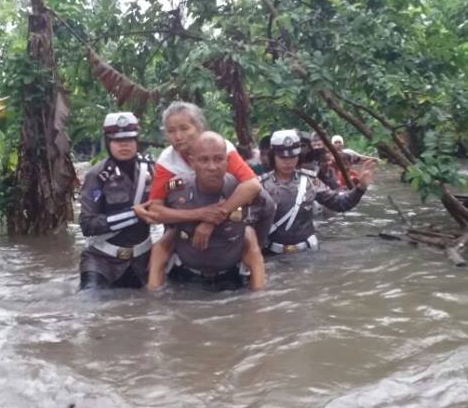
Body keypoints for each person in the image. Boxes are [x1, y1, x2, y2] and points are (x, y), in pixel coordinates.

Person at [134, 102, 267, 284]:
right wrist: (200, 214)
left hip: (225, 207)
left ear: (199, 127)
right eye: (171, 131)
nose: (178, 137)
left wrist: (211, 219)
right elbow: (156, 210)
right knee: (163, 243)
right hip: (185, 216)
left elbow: (252, 185)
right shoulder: (167, 161)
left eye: (184, 129)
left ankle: (257, 255)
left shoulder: (222, 148)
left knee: (267, 203)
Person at [261, 130, 377, 254]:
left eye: (292, 156)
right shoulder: (262, 185)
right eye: (282, 157)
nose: (288, 161)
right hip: (273, 255)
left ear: (299, 155)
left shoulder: (310, 181)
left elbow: (340, 203)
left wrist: (361, 187)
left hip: (308, 253)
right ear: (273, 155)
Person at [78, 112, 154, 289]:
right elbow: (87, 225)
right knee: (89, 303)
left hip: (142, 261)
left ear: (137, 141)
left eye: (129, 139)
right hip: (102, 261)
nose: (124, 145)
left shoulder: (152, 169)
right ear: (108, 142)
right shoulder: (96, 176)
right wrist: (134, 214)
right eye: (117, 140)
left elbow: (172, 196)